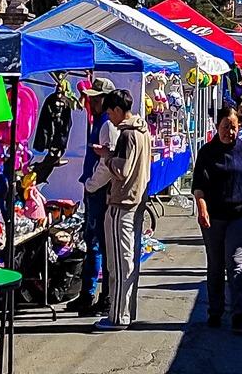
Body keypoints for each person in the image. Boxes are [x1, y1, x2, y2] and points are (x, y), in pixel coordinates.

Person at [86, 88, 152, 332]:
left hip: (122, 203)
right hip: (136, 201)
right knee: (129, 260)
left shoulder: (127, 135)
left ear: (116, 110)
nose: (109, 118)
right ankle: (125, 312)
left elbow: (122, 170)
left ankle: (118, 316)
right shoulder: (143, 132)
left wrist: (106, 157)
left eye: (110, 112)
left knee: (118, 263)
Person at [194, 108, 242, 332]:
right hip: (213, 217)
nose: (230, 132)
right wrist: (202, 208)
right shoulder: (207, 152)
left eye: (233, 127)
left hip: (238, 215)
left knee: (235, 265)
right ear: (217, 127)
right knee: (215, 265)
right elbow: (198, 186)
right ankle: (215, 311)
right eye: (225, 127)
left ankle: (238, 314)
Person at [68, 75, 114, 316]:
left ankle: (100, 297)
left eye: (96, 99)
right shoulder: (97, 120)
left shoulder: (107, 124)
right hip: (93, 190)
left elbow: (106, 165)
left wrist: (91, 185)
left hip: (98, 192)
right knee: (92, 243)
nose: (92, 103)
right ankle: (88, 294)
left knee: (99, 245)